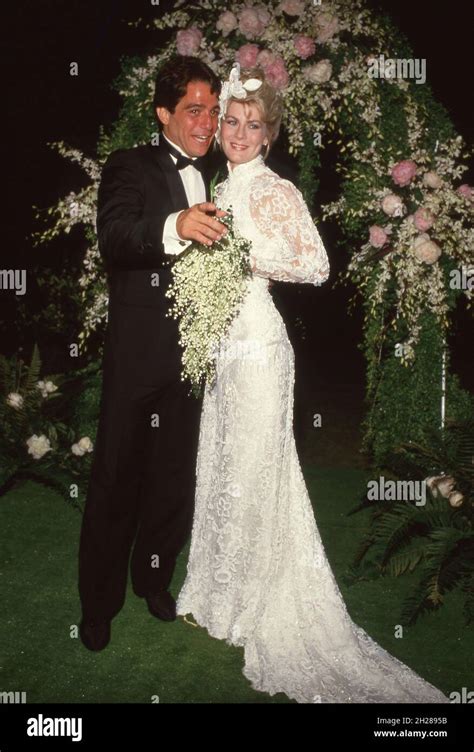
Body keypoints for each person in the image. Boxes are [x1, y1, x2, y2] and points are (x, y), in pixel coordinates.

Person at [176, 64, 449, 704]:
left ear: (268, 135)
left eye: (252, 125)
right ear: (219, 130)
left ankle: (254, 603)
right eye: (231, 123)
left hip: (262, 349)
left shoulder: (274, 190)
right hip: (223, 348)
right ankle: (219, 593)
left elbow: (317, 264)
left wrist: (246, 255)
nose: (240, 133)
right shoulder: (217, 185)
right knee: (223, 467)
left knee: (255, 469)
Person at [78, 55, 229, 651]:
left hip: (195, 360)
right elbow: (115, 237)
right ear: (164, 112)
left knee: (173, 480)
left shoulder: (224, 169)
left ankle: (155, 580)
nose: (208, 123)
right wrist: (175, 225)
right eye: (195, 110)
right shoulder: (129, 166)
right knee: (117, 479)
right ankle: (98, 605)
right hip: (139, 358)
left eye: (214, 112)